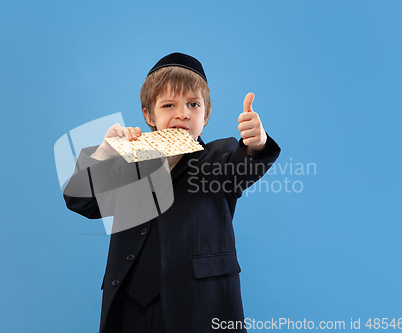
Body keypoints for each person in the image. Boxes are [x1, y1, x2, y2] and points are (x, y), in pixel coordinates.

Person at [63, 52, 281, 333]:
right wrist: (104, 154)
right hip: (130, 305)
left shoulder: (220, 155)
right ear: (149, 115)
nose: (182, 113)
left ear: (206, 115)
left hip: (199, 305)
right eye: (168, 105)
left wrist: (256, 144)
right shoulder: (129, 161)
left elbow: (243, 167)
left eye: (193, 104)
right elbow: (80, 201)